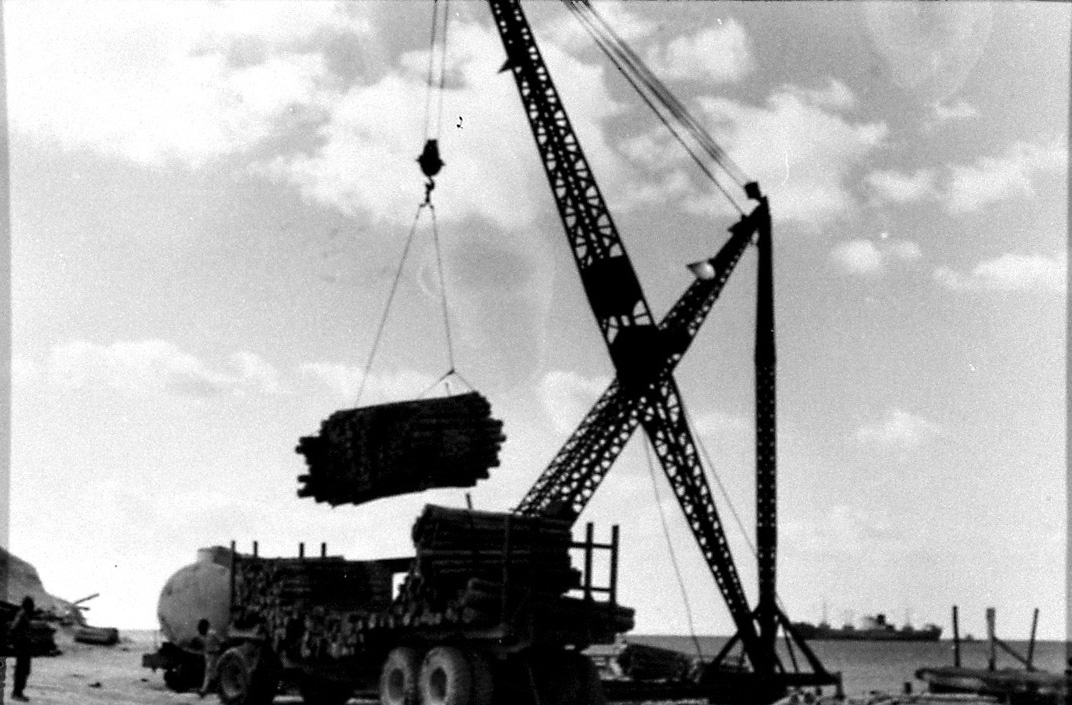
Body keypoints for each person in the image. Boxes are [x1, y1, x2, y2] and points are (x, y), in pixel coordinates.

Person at [10, 596, 34, 702]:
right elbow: (13, 629)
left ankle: (18, 692)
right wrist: (19, 642)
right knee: (22, 671)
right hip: (22, 647)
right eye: (32, 604)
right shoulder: (22, 615)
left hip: (25, 647)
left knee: (24, 670)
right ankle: (17, 693)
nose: (33, 607)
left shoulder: (24, 615)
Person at [196, 618, 221, 698]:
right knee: (211, 672)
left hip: (212, 654)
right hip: (211, 654)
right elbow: (221, 641)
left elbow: (220, 641)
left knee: (209, 672)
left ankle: (204, 690)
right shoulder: (212, 633)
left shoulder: (209, 633)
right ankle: (206, 690)